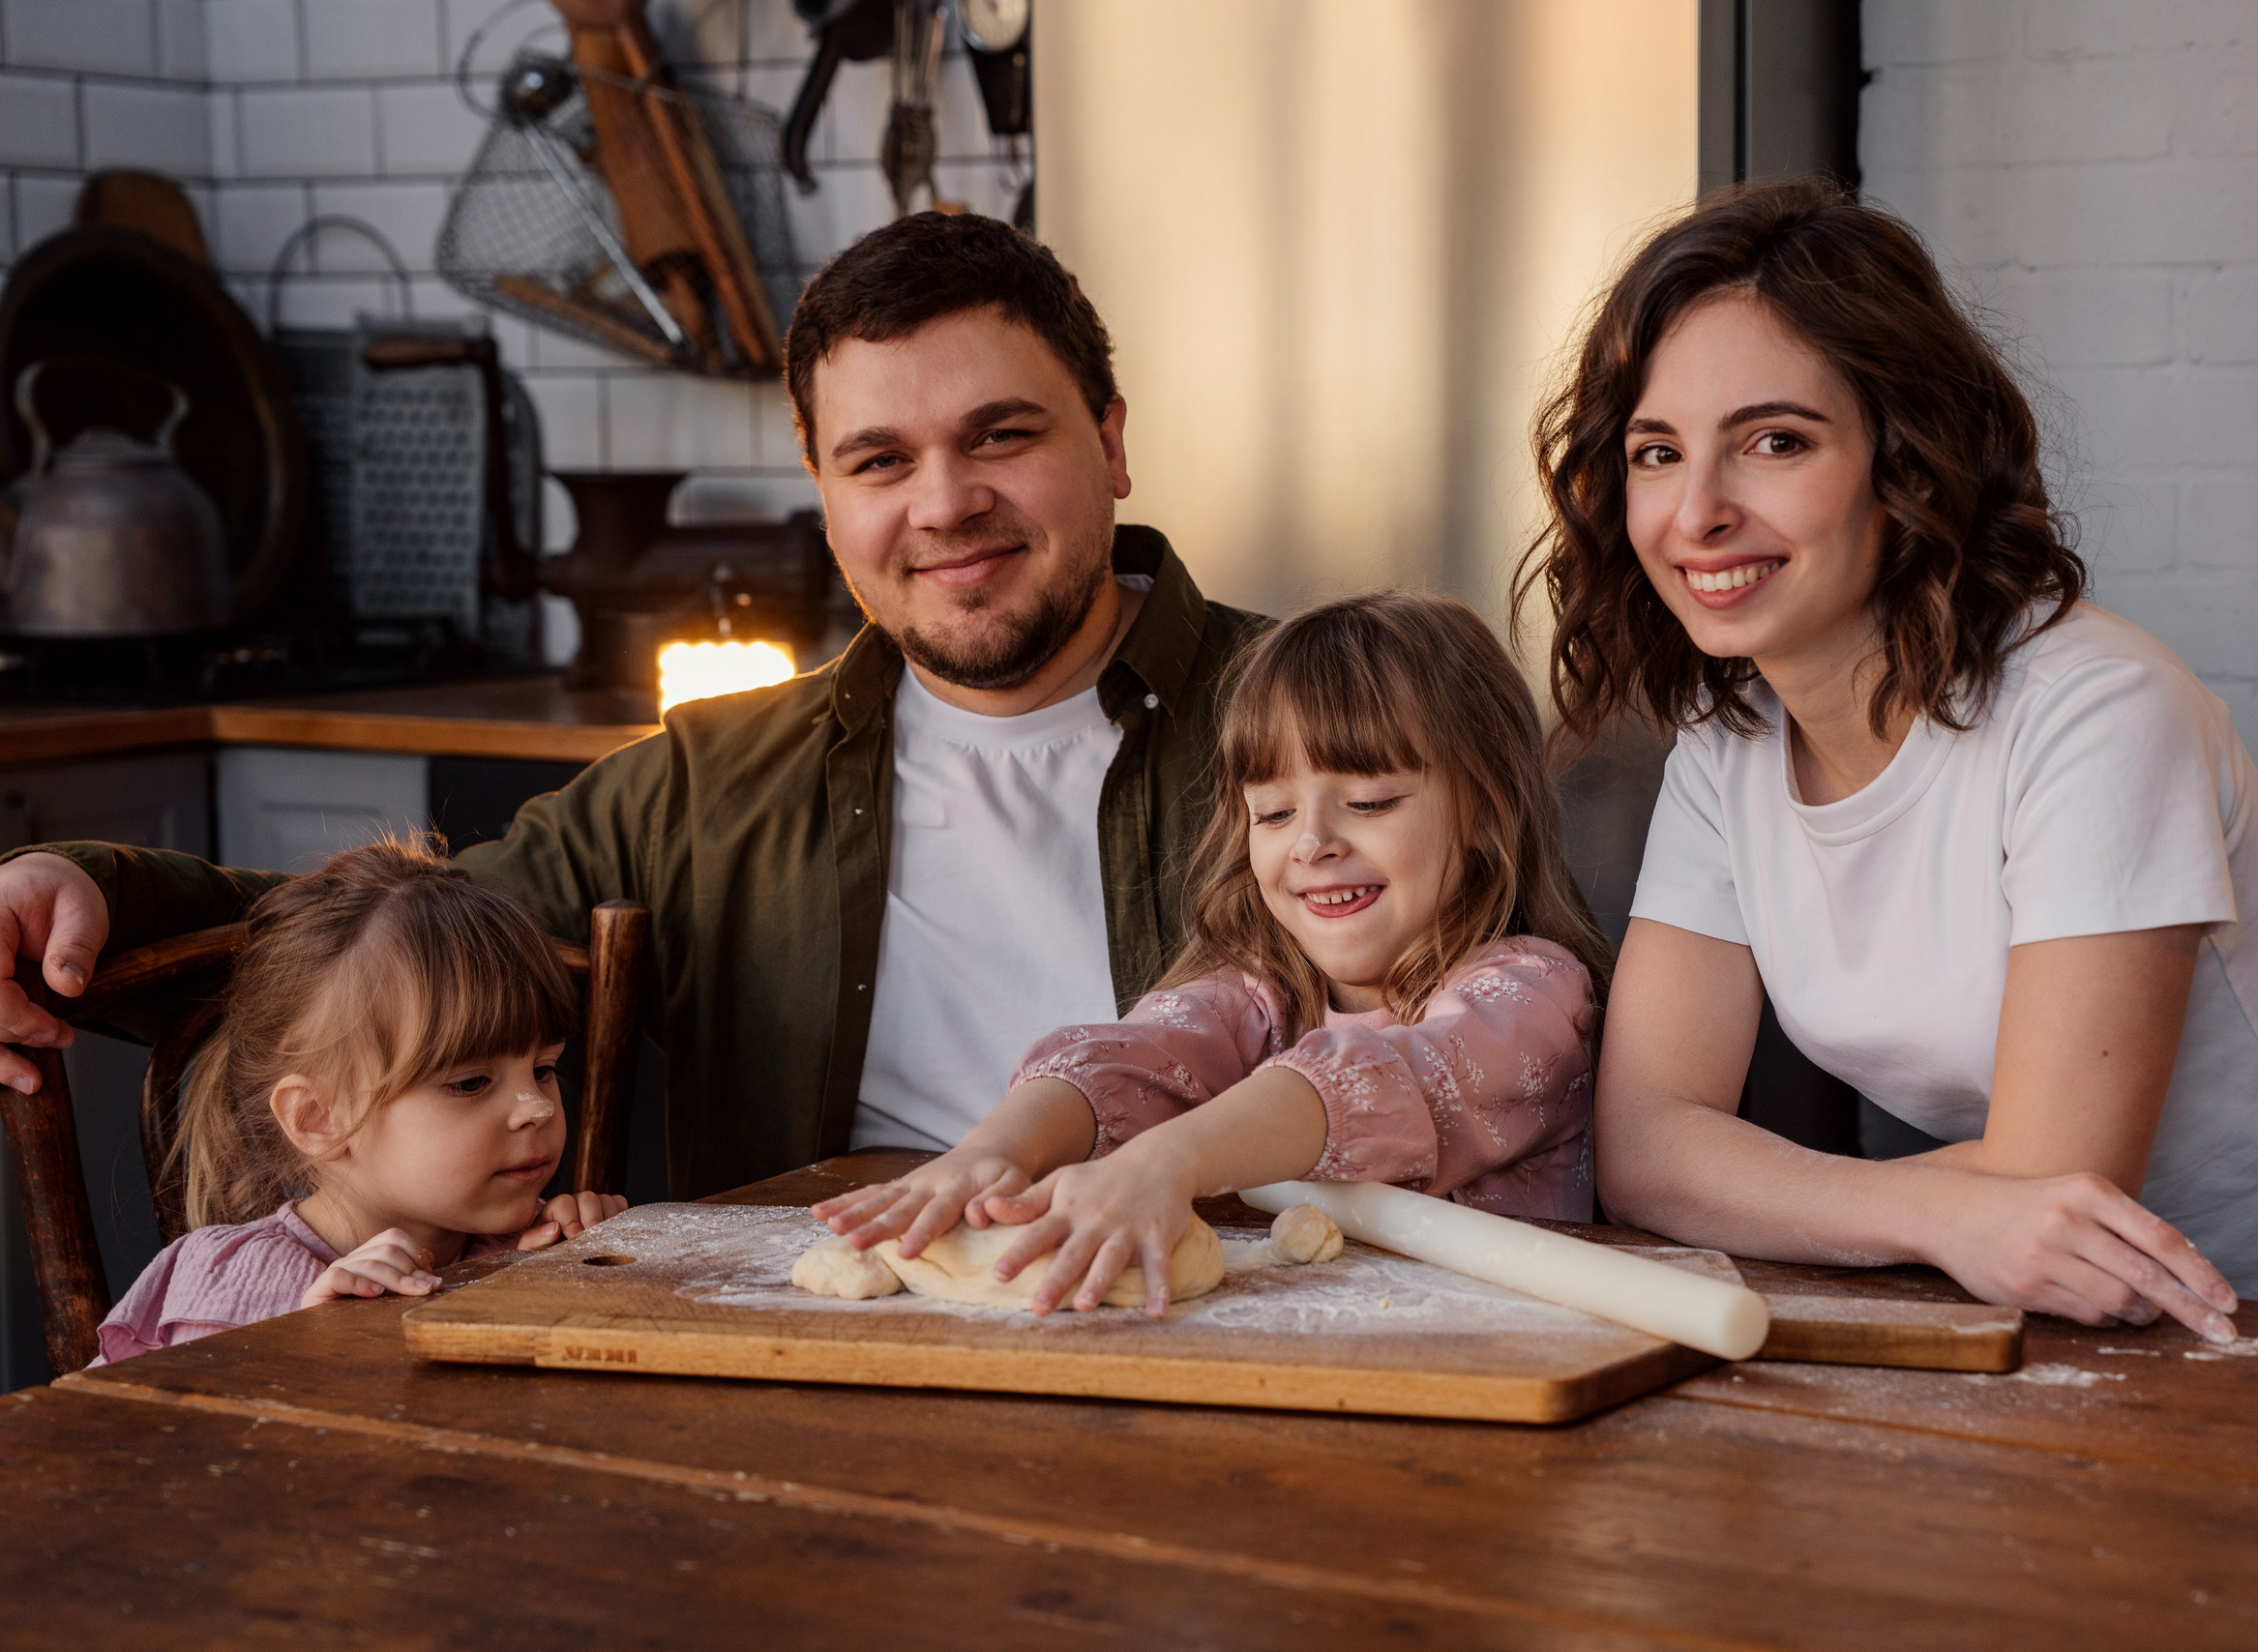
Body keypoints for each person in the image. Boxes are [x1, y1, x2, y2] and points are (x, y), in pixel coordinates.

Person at [0, 213, 1264, 1199]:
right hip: (830, 1354)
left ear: (1107, 440)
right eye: (880, 460)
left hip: (1249, 1333)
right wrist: (91, 894)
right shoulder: (709, 783)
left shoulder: (1346, 719)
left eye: (1000, 437)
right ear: (825, 494)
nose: (942, 505)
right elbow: (360, 964)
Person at [1524, 179, 2258, 1332]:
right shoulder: (1729, 749)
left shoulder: (2098, 715)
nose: (1699, 512)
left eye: (1775, 441)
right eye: (1657, 452)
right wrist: (1937, 1215)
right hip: (2116, 1325)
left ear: (1906, 460)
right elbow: (1648, 1147)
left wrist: (1891, 1206)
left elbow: (2052, 1188)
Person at [814, 592, 1612, 1314]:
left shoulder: (1533, 995)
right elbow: (1128, 1059)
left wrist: (1166, 1163)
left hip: (1494, 1370)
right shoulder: (1262, 997)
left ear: (1483, 809)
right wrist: (991, 1152)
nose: (1313, 844)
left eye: (1369, 802)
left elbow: (1379, 1079)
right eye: (1272, 812)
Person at [93, 841, 627, 1363]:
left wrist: (585, 1273)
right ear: (318, 1118)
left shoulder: (524, 1248)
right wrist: (317, 1354)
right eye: (470, 1083)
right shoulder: (227, 1289)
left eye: (544, 1069)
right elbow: (167, 1443)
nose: (537, 1108)